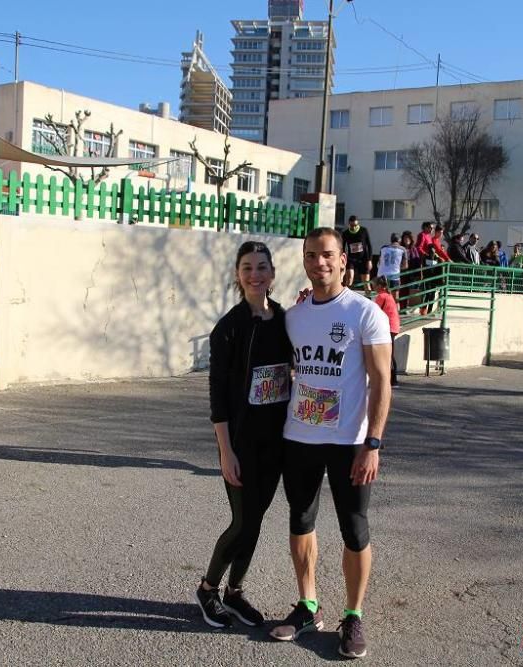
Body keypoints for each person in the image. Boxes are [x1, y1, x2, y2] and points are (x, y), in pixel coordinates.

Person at [270, 227, 392, 660]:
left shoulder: (365, 313)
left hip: (349, 444)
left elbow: (381, 382)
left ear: (344, 260)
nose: (318, 262)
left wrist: (372, 442)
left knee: (354, 529)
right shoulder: (294, 316)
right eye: (310, 255)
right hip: (299, 438)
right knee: (300, 522)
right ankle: (307, 606)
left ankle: (353, 614)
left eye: (327, 255)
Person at [196, 241, 292, 629]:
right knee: (241, 521)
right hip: (240, 443)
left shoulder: (286, 319)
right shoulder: (229, 328)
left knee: (256, 519)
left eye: (262, 267)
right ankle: (207, 588)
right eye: (247, 267)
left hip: (276, 442)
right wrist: (225, 451)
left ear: (272, 273)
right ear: (238, 274)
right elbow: (218, 396)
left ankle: (235, 592)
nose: (255, 274)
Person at [372, 276, 400, 387]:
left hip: (388, 328)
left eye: (374, 285)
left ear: (380, 286)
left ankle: (393, 380)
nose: (373, 287)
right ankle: (391, 380)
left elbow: (374, 312)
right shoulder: (388, 295)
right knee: (389, 354)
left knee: (388, 355)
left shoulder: (381, 296)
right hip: (393, 327)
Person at [342, 216, 372, 288]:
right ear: (349, 224)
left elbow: (369, 245)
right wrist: (343, 259)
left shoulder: (363, 230)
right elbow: (342, 247)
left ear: (358, 224)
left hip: (363, 259)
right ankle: (346, 297)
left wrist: (369, 260)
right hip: (351, 259)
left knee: (366, 282)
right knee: (349, 280)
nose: (353, 227)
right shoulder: (345, 233)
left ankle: (368, 298)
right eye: (352, 225)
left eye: (355, 225)